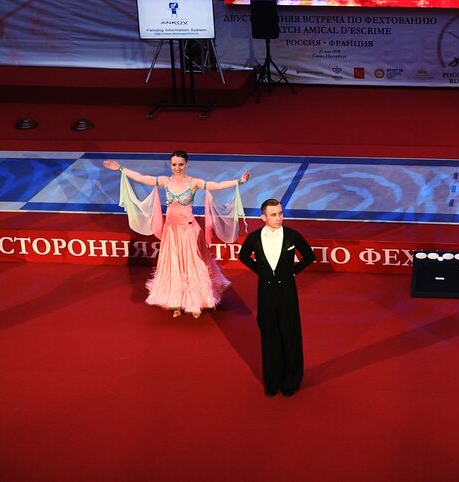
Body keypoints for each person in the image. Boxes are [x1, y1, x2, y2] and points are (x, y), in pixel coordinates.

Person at [103, 153, 247, 318]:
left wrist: (239, 181)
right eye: (174, 165)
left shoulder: (194, 183)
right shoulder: (166, 181)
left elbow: (217, 185)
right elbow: (142, 177)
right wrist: (120, 168)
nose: (177, 168)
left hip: (189, 231)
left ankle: (196, 303)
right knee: (174, 265)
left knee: (192, 265)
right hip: (171, 231)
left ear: (186, 164)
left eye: (180, 164)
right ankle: (176, 302)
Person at [239, 199, 315, 396]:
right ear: (263, 217)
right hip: (265, 293)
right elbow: (244, 256)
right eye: (274, 214)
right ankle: (272, 382)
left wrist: (292, 272)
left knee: (290, 336)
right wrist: (262, 272)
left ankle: (292, 381)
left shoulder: (292, 236)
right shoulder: (254, 238)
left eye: (280, 213)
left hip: (287, 293)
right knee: (269, 336)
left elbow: (309, 256)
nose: (279, 217)